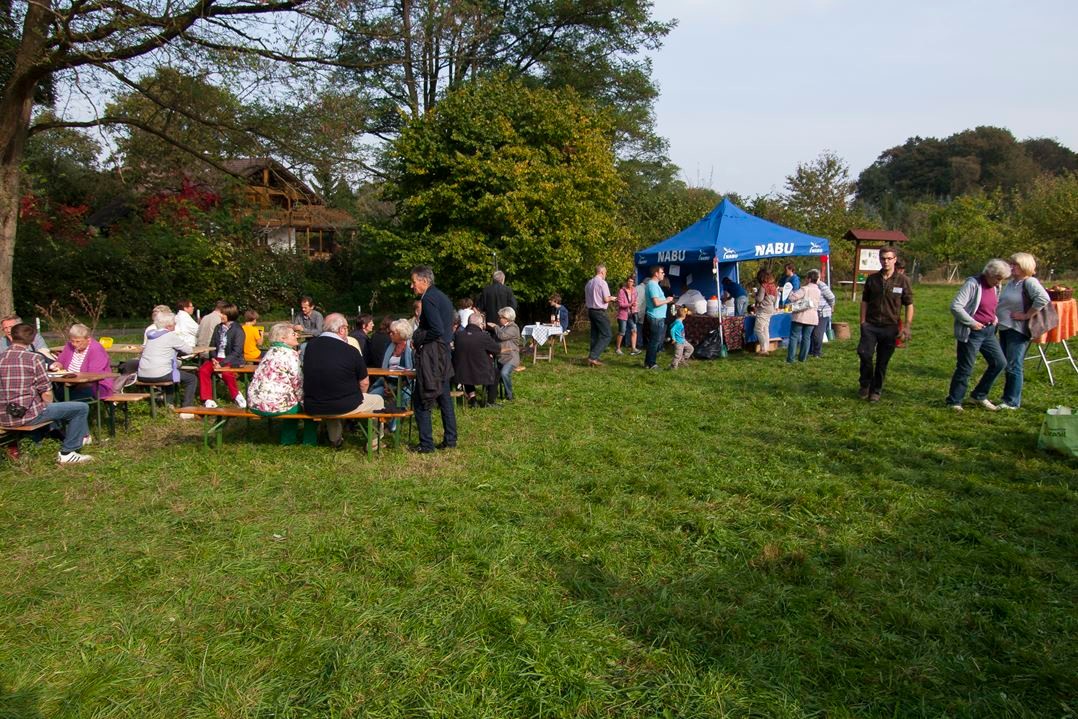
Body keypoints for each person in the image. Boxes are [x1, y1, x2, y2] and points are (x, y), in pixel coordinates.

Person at [0, 323, 93, 463]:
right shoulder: (33, 358)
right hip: (27, 414)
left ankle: (44, 436)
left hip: (2, 416)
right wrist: (46, 405)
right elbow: (46, 392)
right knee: (80, 408)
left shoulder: (1, 357)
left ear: (12, 337)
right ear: (32, 340)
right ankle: (68, 452)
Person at [303, 313, 384, 449]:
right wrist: (359, 396)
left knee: (331, 397)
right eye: (347, 328)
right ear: (341, 330)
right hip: (343, 404)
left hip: (313, 404)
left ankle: (335, 439)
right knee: (377, 400)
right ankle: (375, 442)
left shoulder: (309, 347)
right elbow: (364, 382)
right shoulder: (351, 351)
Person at [945, 259, 1012, 411]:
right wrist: (971, 322)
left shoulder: (996, 286)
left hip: (989, 331)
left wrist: (994, 317)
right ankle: (954, 401)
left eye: (1001, 279)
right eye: (998, 278)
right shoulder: (973, 284)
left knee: (999, 363)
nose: (999, 282)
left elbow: (991, 305)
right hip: (972, 332)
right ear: (989, 273)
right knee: (966, 368)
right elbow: (956, 306)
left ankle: (979, 395)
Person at [409, 265, 458, 453]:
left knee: (422, 398)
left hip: (433, 355)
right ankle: (450, 439)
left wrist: (418, 338)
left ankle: (426, 444)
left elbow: (436, 329)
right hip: (443, 352)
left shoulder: (428, 298)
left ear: (424, 280)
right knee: (444, 397)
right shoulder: (442, 296)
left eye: (413, 282)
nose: (412, 286)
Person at [995, 252, 1051, 410]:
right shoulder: (1012, 283)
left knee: (1014, 365)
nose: (1011, 267)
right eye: (1011, 264)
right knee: (1008, 363)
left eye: (1015, 265)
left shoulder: (1030, 282)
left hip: (1017, 329)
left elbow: (1043, 298)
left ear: (1025, 266)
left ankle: (1012, 401)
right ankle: (1007, 398)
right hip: (1005, 327)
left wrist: (1027, 315)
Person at [858, 247, 914, 402]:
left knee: (882, 361)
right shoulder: (872, 279)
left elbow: (909, 304)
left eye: (889, 258)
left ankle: (876, 390)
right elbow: (865, 301)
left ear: (895, 259)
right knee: (864, 354)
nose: (886, 261)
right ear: (879, 259)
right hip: (870, 325)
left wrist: (907, 326)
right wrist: (862, 322)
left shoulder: (903, 281)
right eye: (883, 258)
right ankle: (865, 383)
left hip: (890, 327)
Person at [247, 323, 316, 446]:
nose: (297, 336)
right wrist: (306, 401)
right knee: (310, 407)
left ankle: (288, 440)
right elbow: (298, 383)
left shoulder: (269, 353)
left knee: (290, 402)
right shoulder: (289, 355)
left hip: (255, 403)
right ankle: (308, 442)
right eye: (293, 334)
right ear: (283, 339)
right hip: (273, 405)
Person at [137, 310, 199, 410]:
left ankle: (169, 404)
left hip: (142, 374)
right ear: (169, 326)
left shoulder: (151, 335)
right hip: (159, 374)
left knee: (170, 372)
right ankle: (187, 407)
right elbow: (188, 350)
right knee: (191, 378)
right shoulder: (170, 336)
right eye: (174, 323)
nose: (175, 324)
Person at [199, 303, 246, 408]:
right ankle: (207, 399)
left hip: (232, 359)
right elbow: (212, 345)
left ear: (229, 314)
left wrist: (222, 363)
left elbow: (237, 351)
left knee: (226, 373)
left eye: (223, 314)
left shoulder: (238, 330)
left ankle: (236, 395)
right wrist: (213, 358)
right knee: (203, 370)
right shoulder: (218, 328)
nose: (220, 316)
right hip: (217, 359)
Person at [50, 323, 114, 399]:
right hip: (70, 384)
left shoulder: (96, 349)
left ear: (88, 340)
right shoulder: (69, 345)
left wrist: (74, 382)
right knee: (52, 395)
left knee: (67, 399)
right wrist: (56, 365)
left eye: (78, 341)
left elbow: (93, 376)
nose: (74, 344)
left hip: (94, 386)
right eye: (72, 341)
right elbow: (60, 361)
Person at [453, 311, 500, 408]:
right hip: (481, 373)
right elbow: (497, 349)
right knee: (496, 372)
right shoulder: (484, 336)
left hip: (461, 373)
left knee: (466, 366)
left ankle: (472, 397)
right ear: (480, 324)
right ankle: (490, 401)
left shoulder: (458, 335)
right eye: (483, 323)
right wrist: (489, 353)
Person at [369, 319, 415, 411]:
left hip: (405, 384)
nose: (390, 334)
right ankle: (377, 422)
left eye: (393, 333)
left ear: (401, 334)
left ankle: (393, 424)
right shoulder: (388, 346)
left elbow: (413, 372)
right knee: (372, 396)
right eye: (390, 332)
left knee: (404, 396)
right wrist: (387, 386)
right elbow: (384, 369)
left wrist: (394, 389)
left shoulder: (411, 349)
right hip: (387, 382)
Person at [584, 264, 616, 366]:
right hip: (599, 311)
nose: (606, 274)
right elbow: (606, 299)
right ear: (602, 272)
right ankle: (592, 357)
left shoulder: (589, 283)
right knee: (607, 335)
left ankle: (593, 357)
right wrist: (613, 298)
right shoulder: (602, 283)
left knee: (594, 335)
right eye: (605, 272)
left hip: (591, 311)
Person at [487, 307, 521, 401]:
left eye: (500, 317)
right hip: (500, 357)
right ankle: (492, 393)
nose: (499, 319)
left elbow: (502, 336)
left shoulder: (513, 327)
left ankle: (509, 395)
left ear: (506, 318)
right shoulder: (503, 327)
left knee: (504, 373)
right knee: (492, 373)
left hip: (511, 357)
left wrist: (495, 327)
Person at [643, 265, 674, 369]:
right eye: (662, 272)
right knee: (655, 342)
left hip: (658, 316)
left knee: (654, 341)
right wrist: (667, 300)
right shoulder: (652, 285)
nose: (663, 274)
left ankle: (648, 363)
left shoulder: (655, 284)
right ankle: (651, 363)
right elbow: (656, 302)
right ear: (656, 273)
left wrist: (665, 299)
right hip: (656, 317)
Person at [786, 278, 821, 363]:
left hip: (800, 316)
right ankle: (802, 358)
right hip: (812, 317)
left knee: (794, 337)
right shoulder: (818, 291)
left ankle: (791, 358)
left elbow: (792, 298)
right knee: (806, 338)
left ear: (809, 279)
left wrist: (789, 292)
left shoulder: (804, 289)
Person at [807, 270, 836, 358]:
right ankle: (811, 351)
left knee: (818, 333)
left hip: (823, 312)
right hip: (813, 311)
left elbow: (831, 297)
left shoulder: (822, 286)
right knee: (812, 333)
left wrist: (832, 307)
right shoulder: (809, 286)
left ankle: (817, 352)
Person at [752, 270, 778, 356]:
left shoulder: (763, 287)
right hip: (770, 309)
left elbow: (759, 299)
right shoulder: (773, 286)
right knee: (765, 328)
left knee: (758, 329)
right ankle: (766, 348)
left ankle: (763, 349)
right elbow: (775, 298)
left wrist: (754, 295)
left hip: (763, 310)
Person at [615, 277, 639, 355]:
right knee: (622, 331)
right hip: (623, 314)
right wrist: (630, 304)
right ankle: (618, 348)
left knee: (634, 330)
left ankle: (633, 348)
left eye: (632, 281)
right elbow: (620, 304)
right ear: (626, 282)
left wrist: (635, 306)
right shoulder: (622, 291)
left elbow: (635, 300)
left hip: (632, 313)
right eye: (629, 281)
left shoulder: (634, 290)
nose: (630, 283)